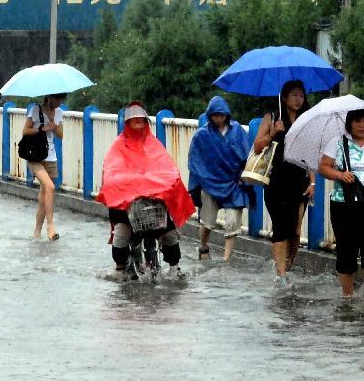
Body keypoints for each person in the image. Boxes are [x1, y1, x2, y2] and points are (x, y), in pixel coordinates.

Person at [97, 102, 196, 279]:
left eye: (141, 122)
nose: (138, 125)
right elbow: (112, 171)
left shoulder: (153, 144)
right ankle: (120, 267)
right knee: (121, 232)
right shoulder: (119, 145)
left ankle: (175, 267)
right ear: (127, 124)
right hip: (128, 204)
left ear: (146, 123)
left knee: (170, 234)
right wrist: (125, 186)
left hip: (153, 202)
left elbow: (167, 168)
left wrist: (167, 183)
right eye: (134, 122)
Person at [319, 108, 364, 297]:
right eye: (357, 121)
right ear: (349, 123)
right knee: (346, 248)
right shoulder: (338, 143)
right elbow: (323, 167)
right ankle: (347, 295)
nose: (362, 125)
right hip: (344, 205)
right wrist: (340, 175)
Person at [252, 80, 316, 283]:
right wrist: (273, 132)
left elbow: (311, 154)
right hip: (276, 180)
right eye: (294, 95)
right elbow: (257, 146)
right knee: (280, 226)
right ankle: (281, 275)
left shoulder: (306, 120)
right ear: (284, 97)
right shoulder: (272, 117)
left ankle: (288, 266)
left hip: (300, 180)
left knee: (295, 231)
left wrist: (312, 182)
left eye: (302, 95)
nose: (299, 99)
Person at [188, 95, 251, 261]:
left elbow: (247, 156)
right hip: (210, 184)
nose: (218, 118)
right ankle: (203, 246)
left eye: (221, 115)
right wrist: (203, 181)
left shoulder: (237, 131)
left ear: (227, 115)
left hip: (233, 183)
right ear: (209, 115)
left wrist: (243, 176)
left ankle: (226, 259)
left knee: (232, 222)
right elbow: (195, 162)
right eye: (215, 115)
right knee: (207, 222)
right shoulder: (201, 135)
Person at [23, 93, 65, 240]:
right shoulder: (36, 110)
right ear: (49, 97)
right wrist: (42, 128)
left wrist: (54, 123)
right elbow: (25, 131)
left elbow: (60, 135)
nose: (60, 102)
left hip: (51, 156)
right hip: (35, 156)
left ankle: (36, 232)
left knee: (44, 195)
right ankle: (50, 225)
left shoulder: (59, 112)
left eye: (62, 99)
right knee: (50, 187)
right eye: (57, 98)